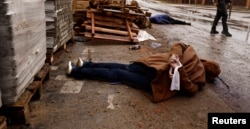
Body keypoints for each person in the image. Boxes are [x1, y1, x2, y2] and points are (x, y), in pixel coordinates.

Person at [66, 42, 221, 103]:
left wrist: (177, 63)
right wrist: (176, 61)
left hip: (153, 69)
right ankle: (77, 70)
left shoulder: (193, 56)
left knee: (122, 68)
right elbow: (189, 89)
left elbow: (179, 45)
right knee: (120, 73)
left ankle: (84, 65)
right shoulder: (199, 75)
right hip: (154, 80)